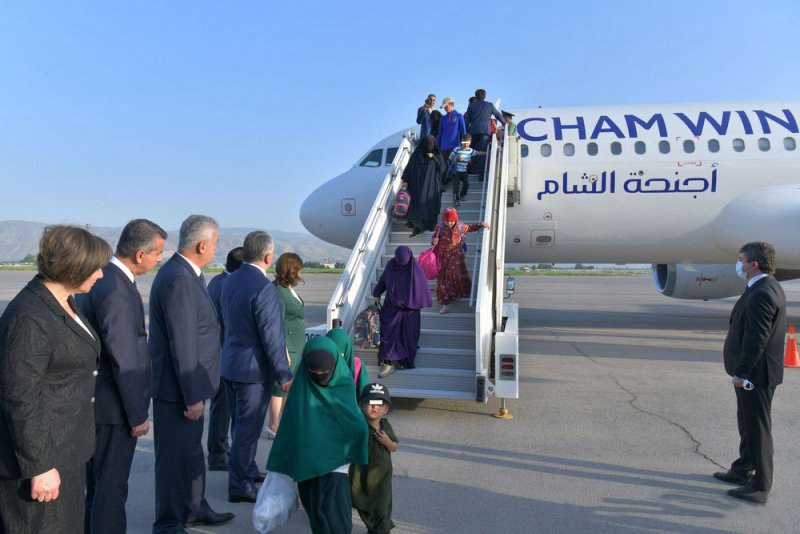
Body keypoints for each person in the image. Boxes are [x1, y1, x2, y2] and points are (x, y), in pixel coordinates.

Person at [0, 225, 110, 534]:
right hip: (40, 464)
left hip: (66, 452)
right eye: (95, 267)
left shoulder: (64, 302)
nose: (101, 274)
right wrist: (40, 466)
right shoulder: (29, 316)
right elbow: (20, 398)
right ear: (73, 268)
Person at [79, 219, 166, 534]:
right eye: (157, 253)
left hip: (97, 404)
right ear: (140, 254)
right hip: (113, 409)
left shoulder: (104, 278)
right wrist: (137, 414)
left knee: (97, 490)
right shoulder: (116, 288)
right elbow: (124, 356)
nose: (159, 260)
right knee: (111, 491)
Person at [149, 214, 234, 532]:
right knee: (174, 460)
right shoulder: (180, 280)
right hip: (179, 392)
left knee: (190, 453)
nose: (216, 248)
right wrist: (192, 395)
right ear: (202, 246)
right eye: (215, 243)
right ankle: (169, 523)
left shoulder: (185, 274)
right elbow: (183, 342)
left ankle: (194, 507)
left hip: (186, 388)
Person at [266, 336, 368, 534]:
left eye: (325, 372)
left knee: (336, 520)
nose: (320, 376)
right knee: (316, 513)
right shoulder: (300, 389)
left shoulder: (344, 384)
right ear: (306, 367)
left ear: (335, 365)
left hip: (336, 466)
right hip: (308, 465)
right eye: (314, 372)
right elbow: (289, 427)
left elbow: (354, 422)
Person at [220, 231, 293, 503]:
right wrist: (283, 372)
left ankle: (247, 469)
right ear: (268, 256)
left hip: (230, 364)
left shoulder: (230, 280)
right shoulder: (264, 287)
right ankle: (239, 485)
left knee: (239, 426)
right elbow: (271, 335)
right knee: (247, 430)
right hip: (252, 372)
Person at [714, 242, 786, 504]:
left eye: (741, 259)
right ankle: (743, 468)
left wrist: (742, 372)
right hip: (753, 373)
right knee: (746, 423)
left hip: (755, 375)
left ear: (753, 264)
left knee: (757, 428)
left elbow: (757, 339)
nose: (738, 263)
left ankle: (760, 486)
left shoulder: (763, 292)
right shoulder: (761, 287)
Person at [206, 246, 244, 471]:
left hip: (216, 352)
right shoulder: (229, 286)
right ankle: (218, 454)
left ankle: (219, 449)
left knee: (220, 405)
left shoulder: (216, 281)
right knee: (222, 407)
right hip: (224, 353)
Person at [372, 246, 432, 378]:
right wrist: (377, 293)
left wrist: (411, 302)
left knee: (408, 335)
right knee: (387, 333)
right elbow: (383, 280)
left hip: (410, 311)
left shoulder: (415, 269)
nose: (401, 265)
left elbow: (421, 289)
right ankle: (387, 362)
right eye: (399, 262)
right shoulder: (391, 265)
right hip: (391, 308)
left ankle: (403, 361)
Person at [266, 252, 305, 438]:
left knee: (288, 388)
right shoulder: (279, 291)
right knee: (279, 388)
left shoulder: (288, 288)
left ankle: (282, 423)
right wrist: (283, 351)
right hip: (288, 347)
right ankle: (272, 426)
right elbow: (277, 322)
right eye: (298, 269)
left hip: (296, 346)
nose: (300, 273)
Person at [350, 383, 399, 534]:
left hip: (382, 479)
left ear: (386, 410)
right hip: (360, 476)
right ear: (361, 405)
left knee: (382, 509)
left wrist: (386, 441)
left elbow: (394, 447)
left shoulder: (385, 426)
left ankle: (381, 530)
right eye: (370, 403)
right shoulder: (358, 425)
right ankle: (374, 529)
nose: (374, 407)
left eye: (380, 404)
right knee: (364, 507)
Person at [433, 208, 490, 314]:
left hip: (456, 257)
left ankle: (457, 293)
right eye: (447, 221)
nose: (449, 223)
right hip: (443, 258)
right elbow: (433, 240)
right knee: (442, 280)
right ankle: (445, 305)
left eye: (451, 221)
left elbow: (470, 228)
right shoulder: (439, 228)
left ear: (455, 219)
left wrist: (481, 225)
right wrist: (434, 241)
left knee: (454, 275)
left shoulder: (460, 226)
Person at [402, 135, 447, 238]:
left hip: (432, 186)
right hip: (417, 186)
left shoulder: (437, 154)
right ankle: (417, 228)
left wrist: (434, 158)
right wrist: (405, 180)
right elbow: (408, 167)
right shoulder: (416, 155)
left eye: (430, 144)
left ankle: (429, 225)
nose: (428, 146)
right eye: (427, 144)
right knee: (418, 205)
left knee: (429, 205)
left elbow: (442, 168)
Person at [463, 89, 504, 178]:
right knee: (483, 152)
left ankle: (473, 171)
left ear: (476, 96)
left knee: (473, 152)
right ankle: (481, 175)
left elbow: (467, 120)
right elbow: (498, 115)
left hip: (473, 132)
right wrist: (505, 124)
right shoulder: (489, 105)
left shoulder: (471, 106)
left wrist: (465, 133)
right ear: (485, 96)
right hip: (484, 131)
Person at [326, 327, 371, 398]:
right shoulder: (319, 366)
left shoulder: (357, 366)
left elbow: (365, 397)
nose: (338, 359)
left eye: (341, 355)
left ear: (348, 351)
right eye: (333, 354)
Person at [436, 97, 466, 190]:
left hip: (455, 146)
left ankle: (455, 187)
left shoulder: (459, 116)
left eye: (446, 106)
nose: (445, 108)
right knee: (443, 166)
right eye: (444, 107)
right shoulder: (442, 118)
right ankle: (443, 184)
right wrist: (436, 146)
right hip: (443, 147)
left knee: (455, 166)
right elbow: (440, 133)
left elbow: (464, 132)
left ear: (451, 104)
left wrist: (465, 145)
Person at [447, 134, 486, 206]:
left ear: (470, 143)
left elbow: (477, 153)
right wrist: (457, 159)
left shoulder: (470, 150)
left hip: (464, 171)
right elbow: (449, 158)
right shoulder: (456, 149)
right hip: (456, 171)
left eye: (467, 143)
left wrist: (487, 153)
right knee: (456, 186)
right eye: (464, 143)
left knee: (466, 184)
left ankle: (462, 195)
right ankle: (456, 199)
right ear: (461, 142)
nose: (466, 145)